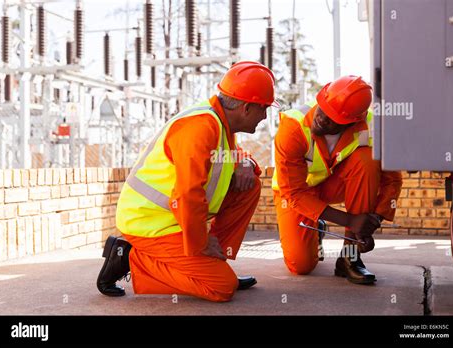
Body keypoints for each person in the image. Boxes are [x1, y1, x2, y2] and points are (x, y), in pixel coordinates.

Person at [97, 61, 278, 301]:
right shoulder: (200, 127)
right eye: (263, 109)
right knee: (222, 288)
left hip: (174, 217)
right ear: (245, 108)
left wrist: (246, 162)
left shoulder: (221, 124)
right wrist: (201, 242)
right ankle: (131, 256)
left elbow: (230, 155)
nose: (264, 117)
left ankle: (213, 263)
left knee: (250, 185)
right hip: (149, 223)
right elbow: (187, 195)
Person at [272, 75, 402, 284]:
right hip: (296, 194)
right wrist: (351, 221)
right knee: (301, 265)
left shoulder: (370, 128)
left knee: (367, 160)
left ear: (352, 122)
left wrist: (372, 222)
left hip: (333, 185)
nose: (322, 118)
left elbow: (392, 180)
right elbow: (293, 192)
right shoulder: (293, 127)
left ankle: (350, 257)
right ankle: (318, 228)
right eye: (323, 109)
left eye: (333, 119)